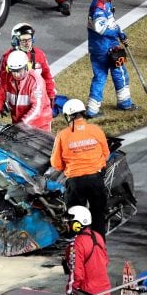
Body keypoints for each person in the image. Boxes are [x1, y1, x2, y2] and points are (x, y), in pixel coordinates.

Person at [50, 99, 109, 237]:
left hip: (76, 182)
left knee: (76, 221)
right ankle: (99, 248)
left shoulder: (63, 135)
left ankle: (80, 247)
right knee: (98, 217)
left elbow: (56, 164)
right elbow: (105, 154)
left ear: (68, 116)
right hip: (96, 180)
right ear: (84, 113)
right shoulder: (96, 130)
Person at [86, 0, 137, 118]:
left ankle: (92, 109)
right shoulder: (99, 7)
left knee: (100, 77)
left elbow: (111, 23)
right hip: (107, 47)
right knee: (119, 73)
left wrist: (121, 33)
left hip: (98, 47)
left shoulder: (104, 3)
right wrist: (117, 34)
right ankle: (125, 103)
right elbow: (102, 29)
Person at [0, 23, 56, 109]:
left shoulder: (39, 55)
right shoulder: (7, 57)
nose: (27, 43)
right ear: (15, 41)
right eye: (23, 40)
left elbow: (47, 76)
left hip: (37, 98)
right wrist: (1, 100)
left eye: (29, 40)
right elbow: (0, 81)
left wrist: (51, 94)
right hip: (19, 101)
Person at [0, 50, 52, 132]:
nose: (16, 74)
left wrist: (22, 124)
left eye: (19, 71)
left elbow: (37, 108)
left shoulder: (36, 82)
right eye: (13, 71)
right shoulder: (5, 78)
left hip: (39, 125)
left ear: (27, 67)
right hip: (19, 123)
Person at [62, 205, 111, 295]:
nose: (67, 225)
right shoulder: (97, 236)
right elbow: (105, 261)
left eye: (69, 223)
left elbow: (76, 274)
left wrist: (69, 293)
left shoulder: (75, 245)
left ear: (77, 224)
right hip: (104, 288)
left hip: (87, 293)